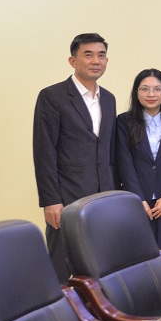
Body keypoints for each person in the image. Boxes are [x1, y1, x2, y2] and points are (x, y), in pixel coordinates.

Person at [33, 33, 116, 283]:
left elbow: (108, 151)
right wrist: (51, 201)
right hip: (66, 198)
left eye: (101, 55)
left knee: (98, 265)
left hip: (102, 198)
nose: (96, 61)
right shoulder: (52, 96)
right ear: (73, 61)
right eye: (88, 55)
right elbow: (44, 151)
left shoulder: (109, 99)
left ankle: (95, 309)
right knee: (61, 268)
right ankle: (59, 310)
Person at [115, 68, 161, 270]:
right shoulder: (124, 122)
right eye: (144, 89)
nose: (151, 94)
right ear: (136, 93)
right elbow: (124, 163)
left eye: (157, 89)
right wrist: (139, 199)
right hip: (137, 202)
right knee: (138, 261)